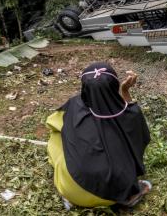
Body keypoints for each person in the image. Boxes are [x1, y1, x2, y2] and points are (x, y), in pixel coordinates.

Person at [46, 62, 151, 209]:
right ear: (115, 85)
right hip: (112, 194)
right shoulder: (131, 115)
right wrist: (125, 90)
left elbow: (51, 123)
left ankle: (69, 196)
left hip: (70, 187)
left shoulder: (73, 104)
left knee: (58, 136)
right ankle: (130, 196)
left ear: (84, 88)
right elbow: (138, 136)